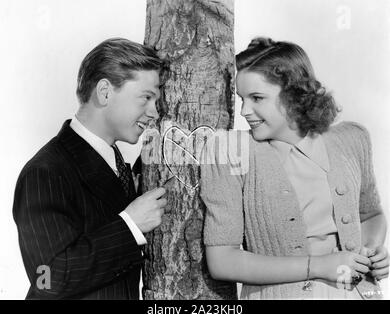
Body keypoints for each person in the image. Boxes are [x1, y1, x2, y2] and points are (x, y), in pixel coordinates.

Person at [200, 37, 388, 299]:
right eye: (242, 98)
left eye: (257, 98)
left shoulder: (351, 139)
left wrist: (372, 251)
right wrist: (319, 266)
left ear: (294, 95)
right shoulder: (229, 150)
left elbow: (370, 214)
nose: (245, 111)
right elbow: (222, 261)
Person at [13, 38, 167, 299]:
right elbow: (47, 278)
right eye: (146, 98)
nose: (154, 112)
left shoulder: (115, 162)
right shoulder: (45, 171)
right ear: (105, 91)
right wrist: (130, 226)